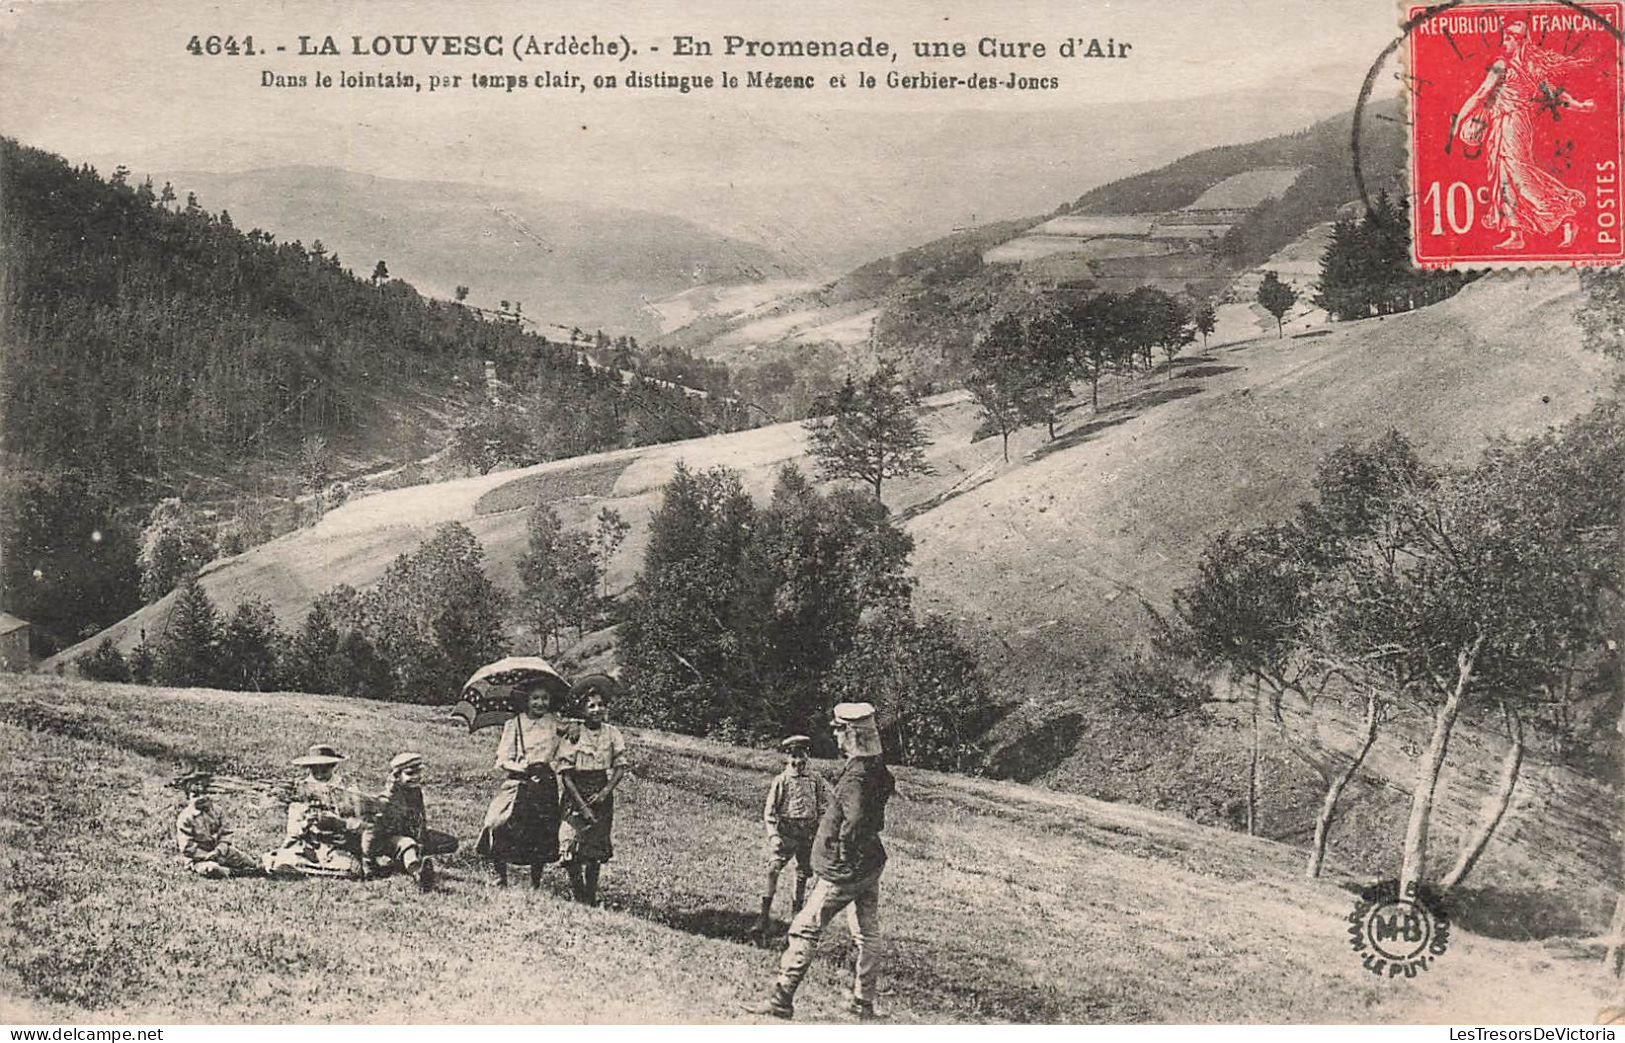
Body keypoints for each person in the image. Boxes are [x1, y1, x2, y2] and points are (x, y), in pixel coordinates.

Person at [745, 702, 895, 1021]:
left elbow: (853, 820)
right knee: (866, 932)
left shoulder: (856, 775)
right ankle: (862, 1003)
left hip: (845, 870)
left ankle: (781, 1000)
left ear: (851, 734)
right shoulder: (876, 766)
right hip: (870, 863)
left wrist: (840, 852)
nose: (836, 736)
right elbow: (884, 792)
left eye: (839, 730)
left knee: (804, 928)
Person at [1454, 20, 1596, 250]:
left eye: (1508, 38)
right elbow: (1556, 93)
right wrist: (1578, 105)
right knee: (1504, 177)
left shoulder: (1504, 65)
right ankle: (1516, 232)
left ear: (1518, 42)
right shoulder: (1532, 68)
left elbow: (1481, 93)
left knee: (1519, 176)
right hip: (1511, 123)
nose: (1504, 42)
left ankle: (1564, 214)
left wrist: (1458, 120)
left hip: (1511, 124)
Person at [477, 681, 569, 888]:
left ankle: (536, 882)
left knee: (541, 831)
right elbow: (502, 760)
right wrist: (519, 766)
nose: (540, 703)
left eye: (544, 698)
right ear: (526, 700)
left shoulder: (554, 722)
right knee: (498, 823)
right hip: (518, 780)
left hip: (545, 781)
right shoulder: (515, 724)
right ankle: (500, 876)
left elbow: (565, 747)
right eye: (535, 698)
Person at [555, 687, 629, 905]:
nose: (597, 709)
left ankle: (590, 896)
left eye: (601, 704)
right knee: (571, 842)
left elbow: (620, 767)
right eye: (591, 705)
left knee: (595, 847)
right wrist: (583, 806)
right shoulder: (574, 733)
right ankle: (578, 892)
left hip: (601, 789)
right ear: (582, 710)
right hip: (576, 790)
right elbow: (566, 775)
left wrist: (605, 793)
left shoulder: (612, 733)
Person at [757, 735, 831, 939]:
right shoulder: (781, 780)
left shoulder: (815, 779)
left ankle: (795, 916)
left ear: (807, 758)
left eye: (802, 757)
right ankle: (763, 916)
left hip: (808, 833)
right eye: (793, 758)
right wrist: (773, 835)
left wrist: (822, 828)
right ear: (787, 758)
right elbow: (769, 811)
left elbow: (825, 804)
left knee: (803, 874)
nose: (798, 763)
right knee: (773, 869)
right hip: (787, 832)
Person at [265, 743, 366, 879]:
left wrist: (338, 822)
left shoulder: (348, 788)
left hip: (339, 846)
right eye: (314, 770)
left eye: (324, 770)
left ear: (332, 766)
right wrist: (305, 823)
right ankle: (314, 869)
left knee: (349, 867)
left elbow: (360, 824)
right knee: (282, 861)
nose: (319, 775)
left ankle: (305, 870)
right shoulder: (301, 789)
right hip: (309, 846)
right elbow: (293, 831)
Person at [363, 752, 461, 891]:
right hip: (389, 840)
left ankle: (406, 861)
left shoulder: (415, 791)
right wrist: (369, 861)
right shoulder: (387, 799)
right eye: (410, 774)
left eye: (418, 773)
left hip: (412, 833)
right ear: (397, 776)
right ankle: (418, 872)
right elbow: (371, 831)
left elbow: (420, 819)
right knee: (407, 845)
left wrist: (422, 836)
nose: (416, 778)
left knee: (449, 842)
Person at [172, 770, 261, 878]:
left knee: (249, 862)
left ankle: (250, 869)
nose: (201, 798)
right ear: (188, 798)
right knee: (212, 869)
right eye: (195, 795)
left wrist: (219, 850)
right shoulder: (185, 818)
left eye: (204, 793)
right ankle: (233, 872)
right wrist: (206, 856)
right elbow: (187, 846)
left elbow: (226, 833)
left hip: (220, 851)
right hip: (199, 857)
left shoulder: (217, 811)